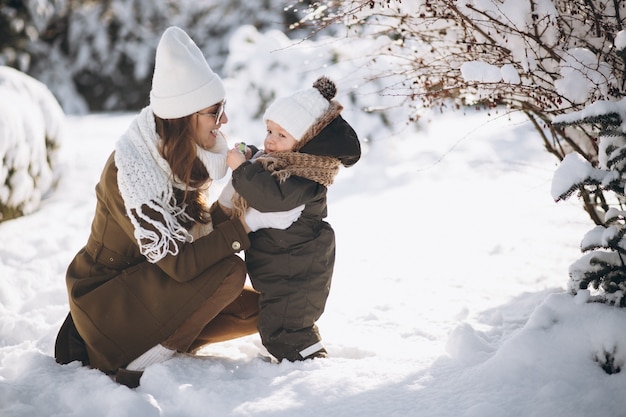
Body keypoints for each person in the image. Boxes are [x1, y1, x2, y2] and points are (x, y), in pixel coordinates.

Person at [53, 26, 303, 388]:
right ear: (185, 117)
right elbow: (181, 263)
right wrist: (244, 226)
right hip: (107, 304)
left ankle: (173, 335)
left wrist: (242, 188)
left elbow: (197, 231)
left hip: (153, 289)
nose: (225, 121)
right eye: (215, 111)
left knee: (269, 306)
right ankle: (139, 359)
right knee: (229, 273)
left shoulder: (183, 157)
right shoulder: (131, 171)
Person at [218, 76, 361, 362]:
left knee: (287, 326)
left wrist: (242, 170)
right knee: (278, 317)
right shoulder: (285, 164)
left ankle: (309, 362)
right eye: (269, 130)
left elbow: (271, 197)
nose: (270, 139)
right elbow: (267, 173)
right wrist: (251, 157)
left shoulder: (306, 177)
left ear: (305, 143)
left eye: (281, 136)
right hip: (282, 265)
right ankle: (295, 349)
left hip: (298, 270)